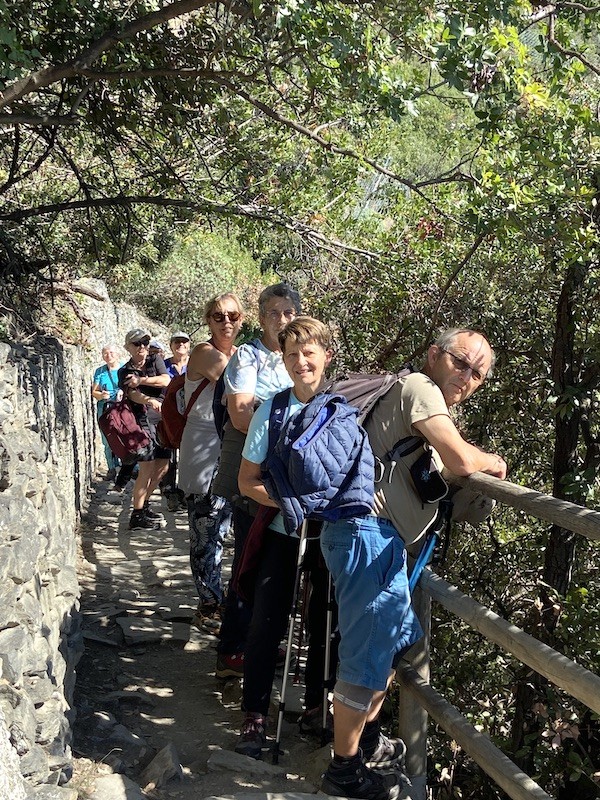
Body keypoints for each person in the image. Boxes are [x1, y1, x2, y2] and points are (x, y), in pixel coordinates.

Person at [319, 328, 508, 800]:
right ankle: (344, 768)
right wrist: (495, 462)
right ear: (433, 356)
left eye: (477, 374)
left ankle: (362, 744)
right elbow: (461, 459)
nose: (466, 377)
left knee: (394, 639)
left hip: (371, 540)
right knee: (365, 656)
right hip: (370, 538)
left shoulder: (413, 400)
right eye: (461, 363)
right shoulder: (420, 388)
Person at [233, 316, 338, 758]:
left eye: (308, 353)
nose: (300, 362)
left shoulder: (344, 409)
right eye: (292, 354)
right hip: (281, 532)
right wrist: (291, 503)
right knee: (266, 622)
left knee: (323, 623)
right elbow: (246, 481)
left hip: (330, 536)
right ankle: (255, 712)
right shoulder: (271, 409)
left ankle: (317, 704)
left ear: (326, 356)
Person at [213, 282, 302, 678]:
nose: (281, 320)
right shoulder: (248, 358)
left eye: (288, 312)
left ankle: (260, 640)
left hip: (288, 475)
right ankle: (233, 648)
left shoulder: (300, 357)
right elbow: (241, 415)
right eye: (273, 313)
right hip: (254, 473)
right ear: (261, 317)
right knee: (249, 558)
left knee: (276, 562)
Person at [177, 295, 243, 628]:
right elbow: (239, 384)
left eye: (232, 315)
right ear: (208, 320)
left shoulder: (241, 357)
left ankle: (222, 601)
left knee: (225, 528)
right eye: (218, 316)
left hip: (231, 448)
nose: (226, 322)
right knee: (205, 528)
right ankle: (209, 604)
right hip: (204, 447)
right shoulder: (204, 353)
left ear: (242, 319)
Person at [118, 328, 172, 531]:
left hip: (162, 419)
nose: (142, 347)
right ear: (128, 347)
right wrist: (148, 399)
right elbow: (133, 395)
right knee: (147, 467)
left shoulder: (154, 360)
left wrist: (141, 380)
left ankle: (144, 503)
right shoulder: (124, 371)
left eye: (145, 342)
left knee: (163, 466)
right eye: (137, 343)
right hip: (141, 420)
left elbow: (165, 379)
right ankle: (137, 514)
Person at [163, 331, 192, 512]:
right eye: (177, 342)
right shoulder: (163, 365)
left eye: (184, 342)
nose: (180, 345)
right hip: (170, 415)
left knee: (188, 456)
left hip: (191, 415)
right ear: (171, 345)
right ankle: (171, 494)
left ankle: (186, 493)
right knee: (170, 457)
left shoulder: (197, 364)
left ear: (189, 345)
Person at [91, 343, 123, 481]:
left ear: (117, 354)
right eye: (105, 353)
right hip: (104, 408)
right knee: (107, 438)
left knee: (124, 435)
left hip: (122, 408)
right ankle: (112, 467)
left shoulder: (124, 369)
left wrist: (123, 391)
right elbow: (94, 391)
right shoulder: (100, 371)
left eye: (111, 352)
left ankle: (129, 467)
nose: (108, 355)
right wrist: (100, 395)